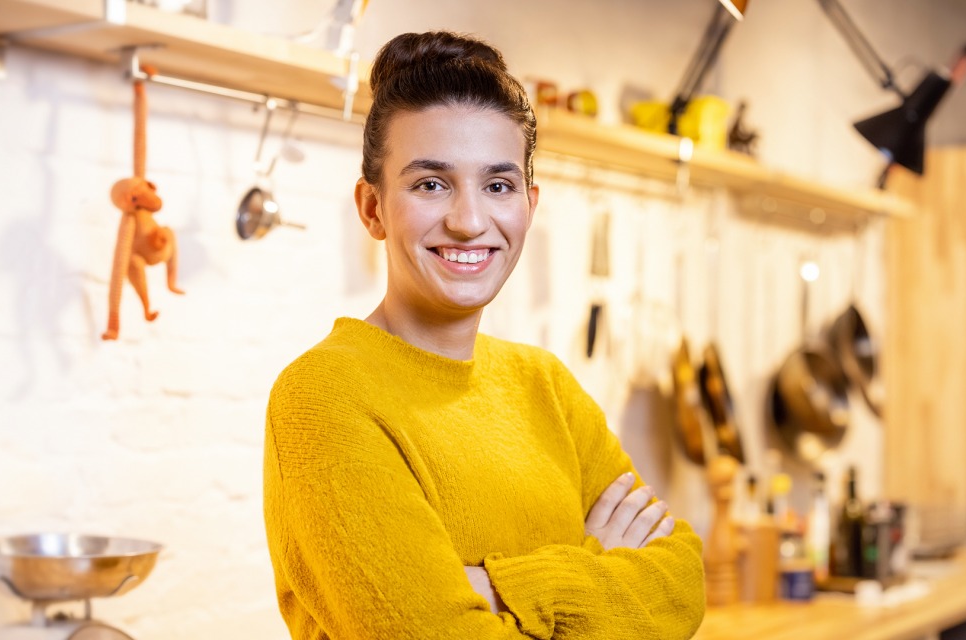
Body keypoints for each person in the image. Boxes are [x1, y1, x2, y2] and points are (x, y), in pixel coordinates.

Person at [263, 31, 705, 639]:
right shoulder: (324, 397)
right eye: (430, 184)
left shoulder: (543, 384)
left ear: (530, 202)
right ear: (372, 208)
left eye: (498, 185)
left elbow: (681, 587)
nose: (469, 222)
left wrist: (495, 589)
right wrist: (596, 566)